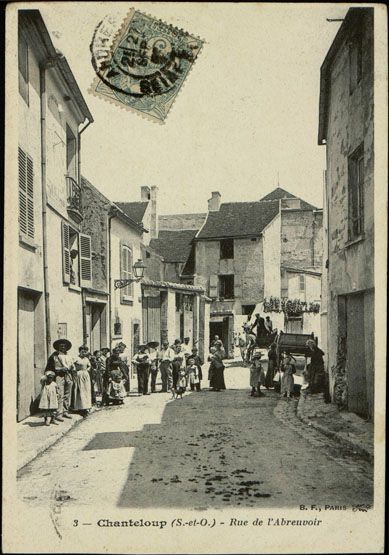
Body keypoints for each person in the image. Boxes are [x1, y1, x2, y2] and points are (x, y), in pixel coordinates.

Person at [45, 339, 74, 421]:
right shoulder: (54, 356)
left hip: (68, 375)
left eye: (64, 346)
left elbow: (71, 365)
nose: (63, 347)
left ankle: (65, 411)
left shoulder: (68, 356)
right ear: (58, 347)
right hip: (59, 376)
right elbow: (49, 368)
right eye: (61, 346)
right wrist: (60, 369)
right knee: (60, 394)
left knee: (67, 394)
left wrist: (71, 369)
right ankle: (59, 413)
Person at [72, 346, 92, 416]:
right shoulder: (76, 358)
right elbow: (72, 365)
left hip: (86, 375)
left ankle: (86, 406)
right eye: (82, 351)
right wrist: (75, 370)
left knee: (86, 390)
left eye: (85, 352)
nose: (84, 353)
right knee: (80, 390)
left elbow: (89, 366)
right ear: (79, 351)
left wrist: (87, 370)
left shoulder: (86, 359)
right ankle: (80, 407)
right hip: (79, 374)